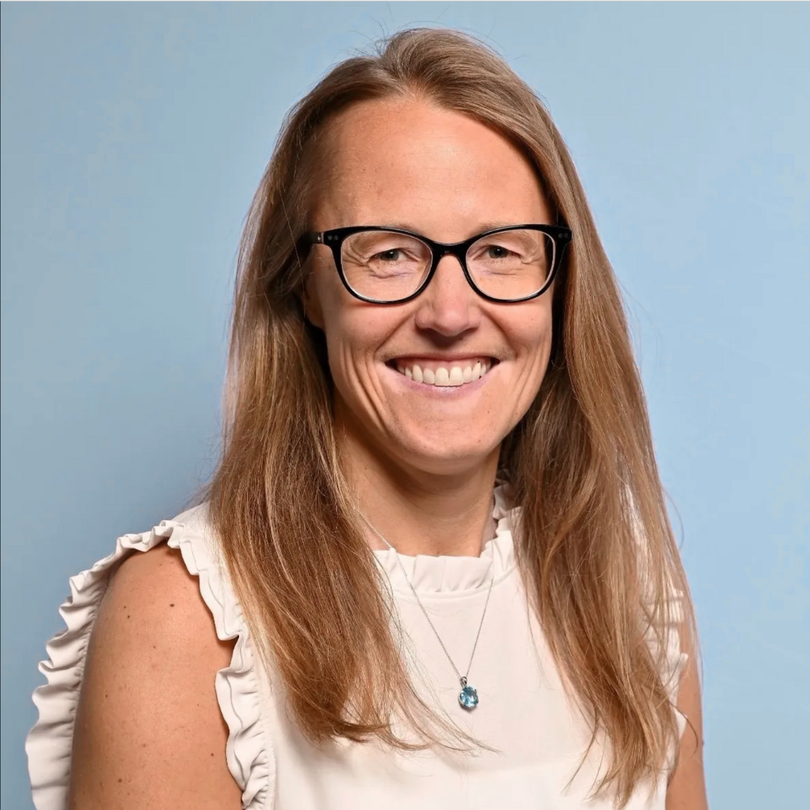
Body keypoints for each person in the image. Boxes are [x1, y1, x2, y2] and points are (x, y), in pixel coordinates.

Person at [25, 27, 708, 810]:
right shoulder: (182, 620)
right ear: (305, 289)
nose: (451, 312)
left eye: (499, 251)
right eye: (387, 253)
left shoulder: (626, 579)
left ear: (560, 283)